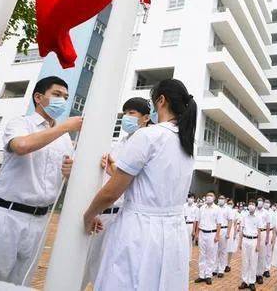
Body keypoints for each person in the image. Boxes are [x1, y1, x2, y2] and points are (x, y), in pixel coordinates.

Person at [0, 76, 79, 285]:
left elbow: (62, 178)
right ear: (39, 97)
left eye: (66, 97)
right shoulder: (21, 123)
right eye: (57, 95)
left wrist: (70, 173)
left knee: (20, 283)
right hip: (5, 216)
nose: (62, 101)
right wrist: (63, 127)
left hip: (38, 222)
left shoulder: (65, 139)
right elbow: (21, 146)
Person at [83, 78, 196, 291]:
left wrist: (88, 215)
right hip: (173, 231)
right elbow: (150, 182)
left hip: (140, 229)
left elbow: (112, 192)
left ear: (161, 101)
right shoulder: (186, 143)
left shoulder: (149, 135)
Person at [82, 97, 150, 290]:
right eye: (125, 113)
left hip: (121, 215)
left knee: (109, 272)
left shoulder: (146, 144)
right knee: (84, 267)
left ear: (145, 118)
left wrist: (113, 170)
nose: (126, 118)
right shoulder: (117, 145)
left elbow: (131, 183)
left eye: (132, 113)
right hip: (100, 214)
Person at [194, 191, 222, 284]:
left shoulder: (217, 209)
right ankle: (202, 275)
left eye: (211, 195)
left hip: (212, 234)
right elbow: (198, 221)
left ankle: (208, 275)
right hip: (202, 233)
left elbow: (219, 224)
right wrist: (197, 234)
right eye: (207, 195)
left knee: (211, 255)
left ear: (214, 198)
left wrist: (217, 235)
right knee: (202, 255)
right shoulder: (201, 208)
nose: (209, 197)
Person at [238, 200, 260, 291]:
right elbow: (241, 230)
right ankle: (244, 281)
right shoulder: (244, 217)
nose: (251, 206)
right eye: (250, 204)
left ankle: (251, 282)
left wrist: (258, 244)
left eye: (253, 204)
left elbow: (259, 232)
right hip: (245, 240)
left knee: (253, 262)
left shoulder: (258, 218)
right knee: (245, 261)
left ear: (255, 206)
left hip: (254, 240)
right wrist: (239, 242)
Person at [214, 194, 234, 278]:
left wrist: (228, 233)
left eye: (222, 198)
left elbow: (230, 221)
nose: (221, 199)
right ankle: (215, 268)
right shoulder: (215, 208)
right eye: (220, 198)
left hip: (224, 230)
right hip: (215, 230)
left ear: (225, 200)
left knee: (222, 251)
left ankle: (221, 269)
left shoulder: (228, 209)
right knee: (215, 250)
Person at [255, 197, 271, 284]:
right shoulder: (254, 211)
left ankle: (260, 275)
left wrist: (267, 237)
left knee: (262, 255)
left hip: (263, 233)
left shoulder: (266, 213)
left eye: (261, 201)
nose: (260, 202)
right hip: (254, 234)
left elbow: (268, 225)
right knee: (254, 255)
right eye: (258, 200)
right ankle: (254, 274)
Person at [226, 199, 239, 268]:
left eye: (231, 203)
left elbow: (235, 223)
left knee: (230, 248)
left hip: (232, 230)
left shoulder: (235, 212)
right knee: (223, 248)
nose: (230, 204)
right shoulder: (224, 210)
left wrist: (235, 233)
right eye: (228, 203)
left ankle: (228, 264)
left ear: (233, 204)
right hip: (225, 229)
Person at [263, 199, 274, 279]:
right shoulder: (260, 211)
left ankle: (267, 269)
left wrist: (273, 236)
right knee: (261, 251)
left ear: (270, 204)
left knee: (268, 252)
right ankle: (260, 268)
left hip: (270, 232)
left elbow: (274, 225)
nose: (266, 204)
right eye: (265, 202)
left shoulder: (273, 213)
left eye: (268, 202)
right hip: (261, 232)